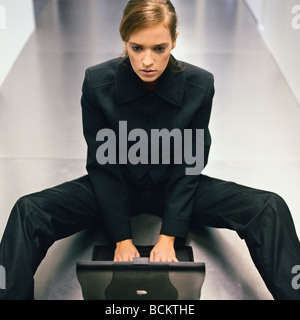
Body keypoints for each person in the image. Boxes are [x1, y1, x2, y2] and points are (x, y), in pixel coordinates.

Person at [0, 0, 299, 300]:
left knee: (268, 208)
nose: (147, 61)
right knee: (29, 212)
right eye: (136, 47)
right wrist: (122, 238)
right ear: (124, 40)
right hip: (117, 186)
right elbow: (104, 167)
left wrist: (169, 235)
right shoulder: (97, 83)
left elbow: (189, 165)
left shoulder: (200, 85)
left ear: (174, 40)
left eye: (159, 48)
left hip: (175, 186)